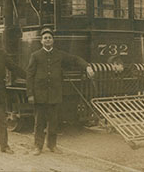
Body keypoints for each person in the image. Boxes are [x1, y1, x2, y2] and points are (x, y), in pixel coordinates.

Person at [26, 27, 95, 155]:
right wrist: (30, 94)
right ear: (41, 41)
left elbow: (75, 59)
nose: (47, 40)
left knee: (53, 121)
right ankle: (38, 147)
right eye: (45, 38)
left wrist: (87, 66)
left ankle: (52, 146)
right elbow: (30, 76)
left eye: (50, 38)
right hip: (40, 94)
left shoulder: (59, 54)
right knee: (39, 122)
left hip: (54, 94)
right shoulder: (35, 56)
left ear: (53, 40)